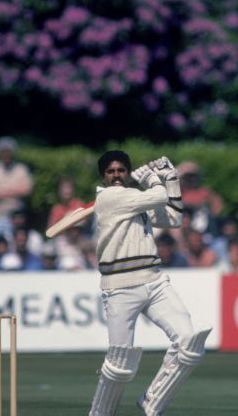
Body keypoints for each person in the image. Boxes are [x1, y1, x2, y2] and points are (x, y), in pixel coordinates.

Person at [87, 151, 211, 416]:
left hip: (154, 281)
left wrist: (172, 179)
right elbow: (158, 195)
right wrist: (155, 179)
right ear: (103, 177)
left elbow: (174, 218)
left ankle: (152, 401)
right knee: (119, 364)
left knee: (189, 343)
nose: (117, 175)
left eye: (121, 170)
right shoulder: (109, 197)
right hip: (120, 286)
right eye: (111, 171)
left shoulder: (135, 201)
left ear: (127, 172)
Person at [0, 136, 34, 242]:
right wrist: (14, 191)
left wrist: (2, 191)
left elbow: (27, 190)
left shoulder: (21, 170)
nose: (6, 154)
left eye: (8, 151)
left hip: (16, 218)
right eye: (3, 152)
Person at [176, 161, 224, 236]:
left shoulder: (203, 191)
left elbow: (217, 203)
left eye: (193, 176)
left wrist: (211, 215)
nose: (191, 179)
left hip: (198, 222)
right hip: (181, 220)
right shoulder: (177, 191)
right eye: (188, 177)